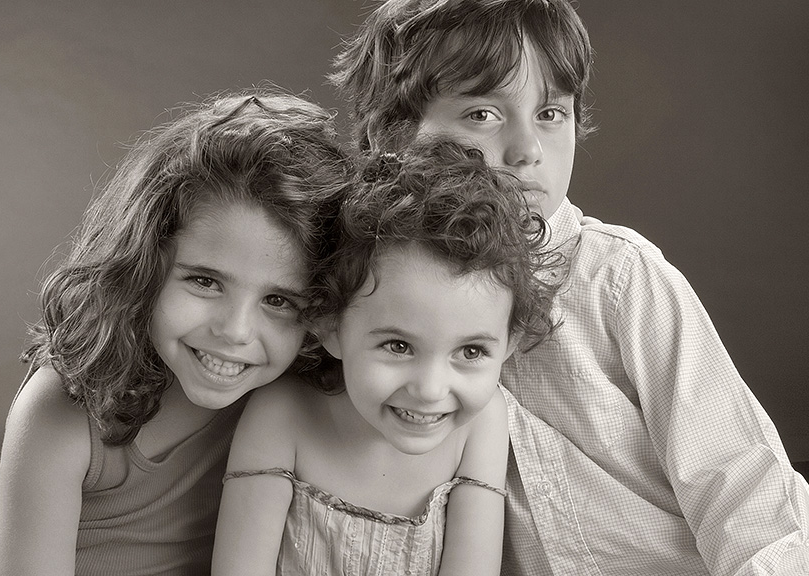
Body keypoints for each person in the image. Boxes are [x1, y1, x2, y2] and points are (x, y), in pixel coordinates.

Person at [330, 1, 809, 575]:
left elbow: (739, 484)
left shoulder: (617, 279)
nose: (527, 149)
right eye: (483, 114)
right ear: (390, 133)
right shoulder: (367, 289)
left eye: (551, 113)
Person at [0, 90, 351, 576]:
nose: (235, 331)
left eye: (278, 301)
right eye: (205, 282)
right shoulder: (64, 409)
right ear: (144, 265)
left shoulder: (294, 397)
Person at [211, 138, 560, 576]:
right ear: (329, 326)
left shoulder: (481, 424)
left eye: (471, 351)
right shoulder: (282, 412)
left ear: (508, 344)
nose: (430, 389)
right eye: (398, 346)